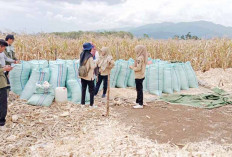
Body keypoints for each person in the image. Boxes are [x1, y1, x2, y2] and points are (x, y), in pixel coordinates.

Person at [0, 39, 13, 126]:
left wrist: (4, 67)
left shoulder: (1, 54)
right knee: (3, 101)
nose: (3, 49)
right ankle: (1, 120)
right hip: (1, 84)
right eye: (3, 47)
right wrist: (4, 69)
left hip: (2, 81)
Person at [79, 43, 96, 108]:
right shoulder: (90, 56)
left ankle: (82, 104)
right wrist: (96, 63)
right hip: (89, 76)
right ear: (89, 49)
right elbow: (92, 67)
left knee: (83, 89)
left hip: (82, 75)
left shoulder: (81, 54)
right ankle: (91, 105)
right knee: (91, 91)